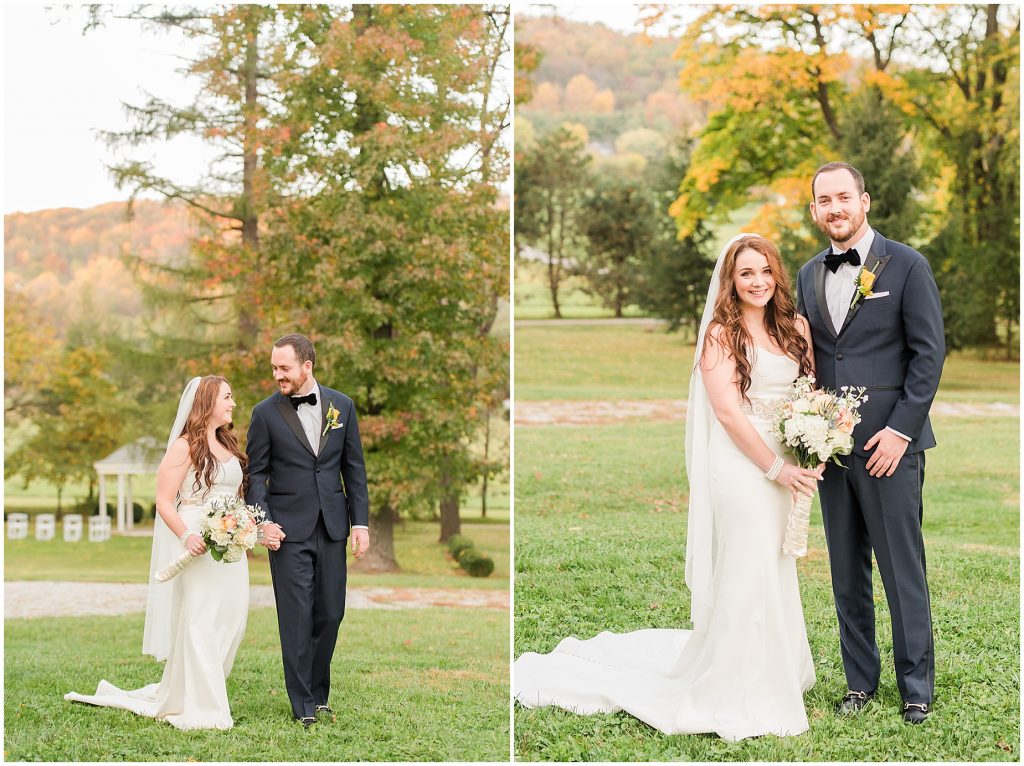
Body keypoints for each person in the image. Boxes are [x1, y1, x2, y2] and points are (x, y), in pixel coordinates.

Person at [514, 234, 823, 742]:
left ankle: (777, 668)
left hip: (788, 457)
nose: (758, 281)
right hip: (744, 463)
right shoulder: (721, 336)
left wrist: (814, 446)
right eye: (746, 273)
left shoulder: (796, 328)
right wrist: (774, 468)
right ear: (731, 281)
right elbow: (726, 412)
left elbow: (808, 392)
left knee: (774, 563)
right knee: (746, 565)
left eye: (765, 271)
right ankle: (733, 685)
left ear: (777, 275)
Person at [797, 161, 944, 724]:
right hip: (830, 447)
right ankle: (859, 681)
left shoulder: (906, 265)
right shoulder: (810, 274)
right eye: (823, 201)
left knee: (900, 566)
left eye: (844, 197)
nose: (835, 209)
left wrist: (902, 430)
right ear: (814, 211)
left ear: (864, 201)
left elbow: (928, 355)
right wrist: (806, 429)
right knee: (845, 569)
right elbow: (812, 360)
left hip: (890, 446)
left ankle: (916, 686)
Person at [66, 375, 250, 730]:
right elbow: (164, 501)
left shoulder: (228, 443)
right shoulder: (184, 446)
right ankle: (205, 707)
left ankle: (193, 688)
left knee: (233, 617)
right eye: (227, 397)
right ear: (208, 402)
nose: (233, 403)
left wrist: (243, 526)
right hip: (198, 536)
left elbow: (237, 495)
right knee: (199, 618)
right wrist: (186, 536)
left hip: (231, 543)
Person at [245, 333, 370, 728]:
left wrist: (360, 522)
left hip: (332, 526)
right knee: (297, 617)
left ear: (307, 366)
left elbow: (355, 469)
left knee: (331, 614)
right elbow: (256, 475)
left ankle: (319, 693)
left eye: (284, 368)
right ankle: (304, 704)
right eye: (274, 369)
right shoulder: (264, 413)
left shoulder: (342, 406)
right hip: (287, 531)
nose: (278, 376)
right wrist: (263, 522)